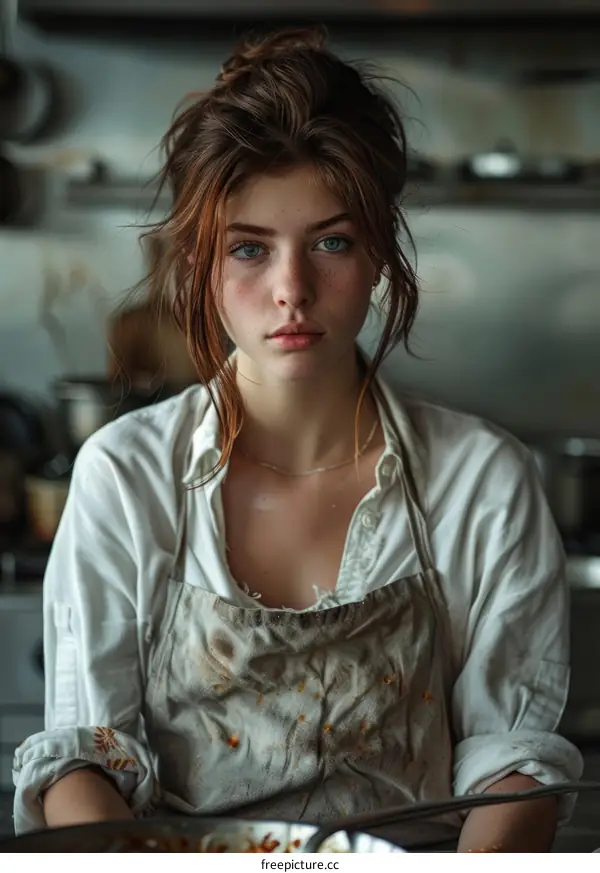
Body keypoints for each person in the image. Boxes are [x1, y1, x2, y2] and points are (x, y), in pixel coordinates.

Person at [13, 27, 582, 851]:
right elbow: (86, 760)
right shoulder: (126, 478)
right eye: (249, 248)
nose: (291, 291)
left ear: (380, 249)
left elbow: (513, 761)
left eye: (331, 242)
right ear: (202, 263)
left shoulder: (482, 482)